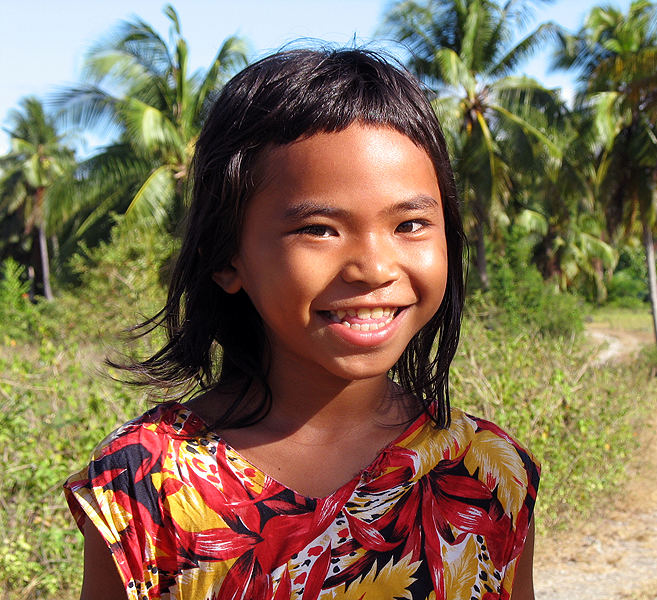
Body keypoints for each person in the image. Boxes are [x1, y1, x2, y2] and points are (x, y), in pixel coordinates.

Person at [64, 47, 540, 600]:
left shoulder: (488, 473)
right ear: (226, 258)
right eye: (319, 229)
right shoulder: (147, 481)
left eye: (410, 224)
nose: (375, 269)